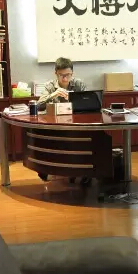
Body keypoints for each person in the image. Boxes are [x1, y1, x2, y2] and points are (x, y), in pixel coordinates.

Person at [35, 57, 89, 185]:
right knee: (47, 139)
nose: (65, 78)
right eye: (61, 75)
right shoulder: (49, 86)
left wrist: (75, 100)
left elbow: (88, 103)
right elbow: (38, 106)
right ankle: (48, 169)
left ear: (72, 73)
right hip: (56, 125)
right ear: (55, 73)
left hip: (76, 124)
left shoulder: (79, 84)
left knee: (86, 139)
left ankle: (86, 172)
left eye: (68, 75)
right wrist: (53, 95)